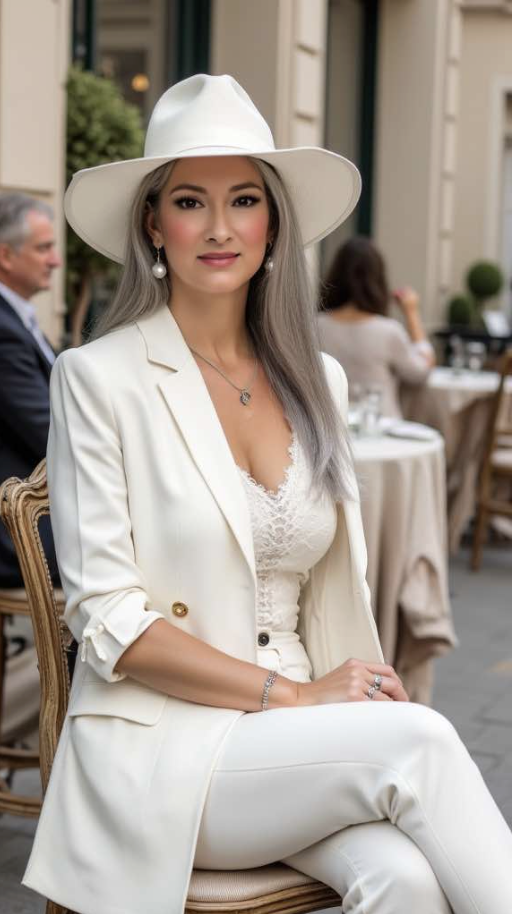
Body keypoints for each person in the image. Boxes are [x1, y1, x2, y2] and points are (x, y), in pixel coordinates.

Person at [23, 75, 512, 914]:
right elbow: (108, 622)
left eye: (243, 200)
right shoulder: (98, 378)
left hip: (296, 737)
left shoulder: (316, 378)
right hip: (165, 748)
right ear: (154, 223)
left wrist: (335, 690)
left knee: (404, 879)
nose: (220, 227)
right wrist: (294, 694)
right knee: (422, 743)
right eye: (190, 201)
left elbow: (330, 589)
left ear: (273, 223)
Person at [0, 193, 61, 745]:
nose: (56, 260)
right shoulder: (2, 328)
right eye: (43, 248)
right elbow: (52, 433)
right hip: (18, 532)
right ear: (5, 254)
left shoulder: (18, 318)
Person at [318, 236, 435, 417]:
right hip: (380, 424)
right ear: (378, 280)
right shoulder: (388, 331)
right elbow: (421, 371)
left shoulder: (314, 325)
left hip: (330, 422)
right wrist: (411, 313)